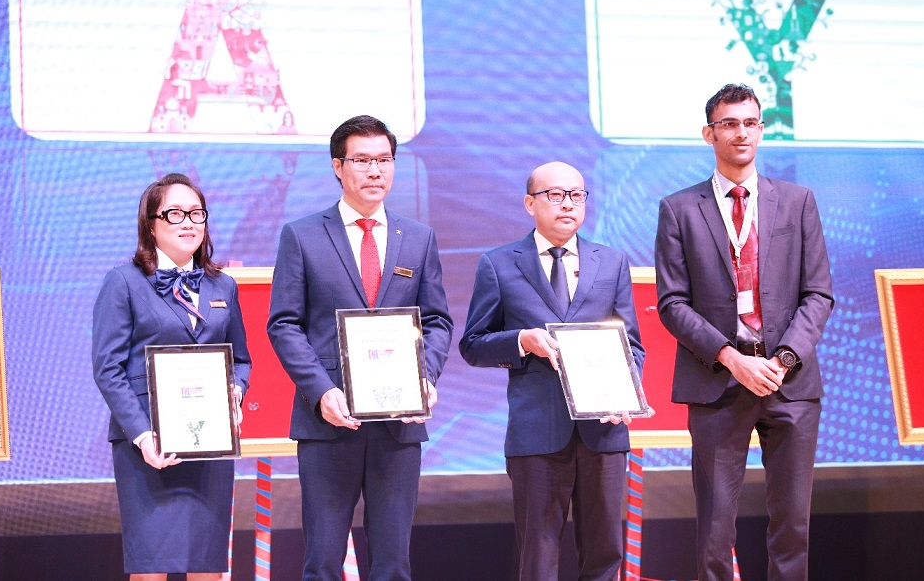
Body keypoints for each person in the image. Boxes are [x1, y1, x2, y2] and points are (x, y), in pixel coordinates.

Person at [654, 83, 834, 581]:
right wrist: (732, 358)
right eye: (729, 124)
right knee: (714, 533)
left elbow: (818, 294)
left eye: (750, 123)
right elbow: (672, 304)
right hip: (717, 380)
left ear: (761, 130)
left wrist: (783, 360)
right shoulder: (679, 208)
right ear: (708, 133)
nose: (741, 133)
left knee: (792, 527)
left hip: (788, 381)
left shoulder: (797, 201)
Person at [267, 115, 453, 581]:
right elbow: (284, 324)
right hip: (328, 420)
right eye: (362, 160)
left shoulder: (419, 238)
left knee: (393, 563)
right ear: (338, 166)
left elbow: (437, 321)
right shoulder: (302, 236)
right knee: (323, 560)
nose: (375, 171)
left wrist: (425, 377)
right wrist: (321, 391)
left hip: (399, 425)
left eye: (384, 160)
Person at [460, 161, 645, 581]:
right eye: (556, 195)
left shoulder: (612, 262)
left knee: (604, 555)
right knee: (539, 557)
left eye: (576, 195)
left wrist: (627, 390)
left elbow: (631, 344)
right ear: (530, 203)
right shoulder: (499, 264)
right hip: (537, 432)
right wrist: (520, 341)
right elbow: (472, 344)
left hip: (604, 431)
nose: (568, 204)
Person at [92, 173, 251, 580]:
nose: (188, 223)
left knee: (206, 566)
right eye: (175, 213)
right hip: (148, 448)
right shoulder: (123, 282)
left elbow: (241, 360)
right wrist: (143, 436)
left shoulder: (223, 286)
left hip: (209, 445)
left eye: (196, 213)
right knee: (151, 567)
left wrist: (234, 390)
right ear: (151, 224)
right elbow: (108, 369)